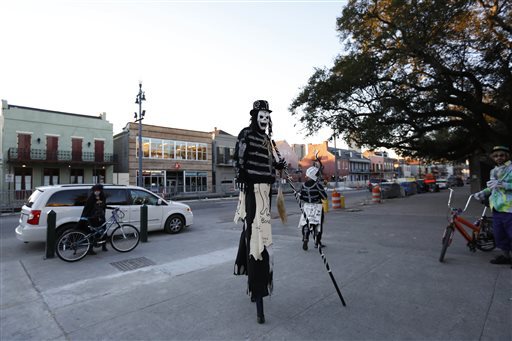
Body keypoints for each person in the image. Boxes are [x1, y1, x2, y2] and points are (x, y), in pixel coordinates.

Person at [233, 100, 286, 324]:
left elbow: (272, 162)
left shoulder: (268, 140)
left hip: (266, 191)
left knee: (257, 235)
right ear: (255, 116)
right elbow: (239, 157)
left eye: (267, 116)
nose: (264, 120)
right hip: (252, 190)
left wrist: (279, 166)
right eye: (261, 116)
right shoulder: (246, 134)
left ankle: (249, 274)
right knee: (257, 238)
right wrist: (242, 177)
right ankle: (257, 288)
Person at [473, 145, 512, 267]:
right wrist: (482, 193)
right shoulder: (493, 171)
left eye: (501, 155)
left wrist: (502, 184)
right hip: (496, 207)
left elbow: (500, 185)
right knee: (500, 235)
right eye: (496, 156)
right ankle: (506, 257)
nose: (499, 157)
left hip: (509, 208)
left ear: (506, 156)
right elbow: (492, 187)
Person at [298, 166, 328, 250]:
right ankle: (317, 242)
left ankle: (305, 237)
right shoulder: (318, 185)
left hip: (307, 206)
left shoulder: (303, 185)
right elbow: (324, 197)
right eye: (317, 174)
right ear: (314, 175)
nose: (318, 176)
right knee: (318, 225)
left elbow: (301, 197)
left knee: (306, 224)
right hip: (317, 206)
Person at [77, 183, 108, 255]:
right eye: (95, 190)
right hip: (92, 218)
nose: (97, 192)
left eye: (98, 190)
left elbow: (104, 206)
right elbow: (87, 208)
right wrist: (84, 217)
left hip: (101, 217)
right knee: (91, 233)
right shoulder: (91, 198)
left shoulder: (103, 197)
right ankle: (90, 249)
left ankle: (104, 246)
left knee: (104, 231)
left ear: (101, 190)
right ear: (93, 191)